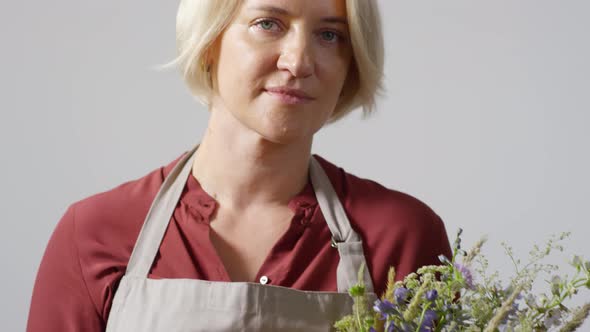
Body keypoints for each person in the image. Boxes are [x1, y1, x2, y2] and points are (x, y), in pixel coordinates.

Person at [27, 0, 452, 330]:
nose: (299, 61)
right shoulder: (94, 234)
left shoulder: (403, 235)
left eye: (329, 35)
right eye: (269, 23)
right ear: (209, 42)